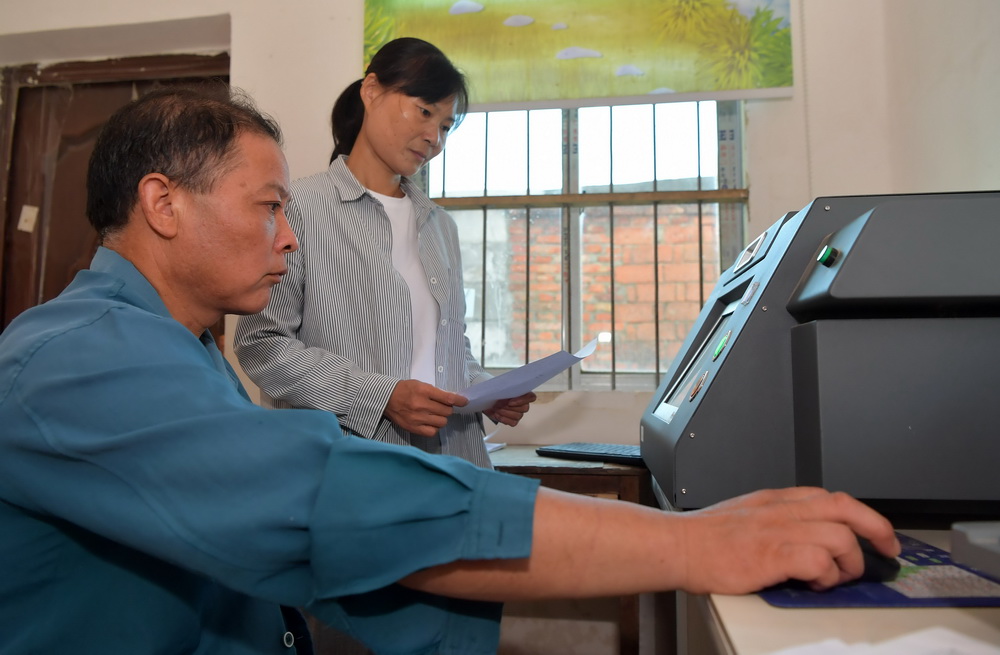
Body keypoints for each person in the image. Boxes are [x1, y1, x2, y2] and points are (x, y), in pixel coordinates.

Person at [0, 86, 900, 655]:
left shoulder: (182, 343)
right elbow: (316, 494)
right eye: (268, 207)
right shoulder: (74, 356)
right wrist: (701, 543)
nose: (286, 235)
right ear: (162, 203)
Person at [234, 38, 534, 468]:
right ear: (372, 91)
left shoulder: (440, 226)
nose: (433, 137)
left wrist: (483, 390)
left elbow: (447, 345)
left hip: (454, 461)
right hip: (346, 469)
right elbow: (261, 344)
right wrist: (380, 396)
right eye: (425, 111)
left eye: (447, 126)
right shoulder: (298, 207)